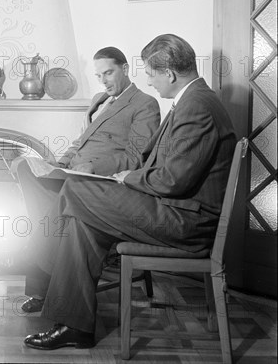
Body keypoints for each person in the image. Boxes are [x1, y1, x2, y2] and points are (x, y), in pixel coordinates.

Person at [23, 34, 237, 350]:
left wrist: (128, 178)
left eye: (151, 73)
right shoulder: (194, 101)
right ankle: (74, 326)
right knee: (83, 224)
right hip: (172, 210)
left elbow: (174, 181)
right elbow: (167, 170)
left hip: (186, 223)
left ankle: (38, 261)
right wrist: (128, 178)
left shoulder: (197, 107)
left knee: (77, 189)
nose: (149, 81)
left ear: (170, 74)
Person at [13, 46, 160, 312]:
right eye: (99, 75)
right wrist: (58, 163)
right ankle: (41, 250)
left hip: (103, 183)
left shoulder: (144, 104)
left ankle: (34, 260)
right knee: (25, 167)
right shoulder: (99, 99)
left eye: (108, 73)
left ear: (124, 69)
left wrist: (93, 166)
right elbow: (80, 142)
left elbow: (138, 158)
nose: (104, 81)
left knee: (52, 205)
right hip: (75, 174)